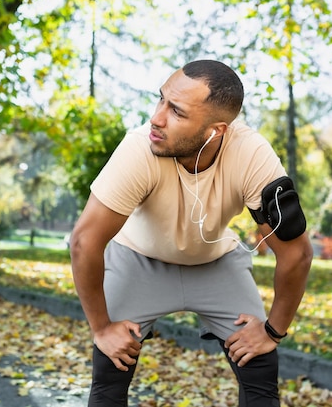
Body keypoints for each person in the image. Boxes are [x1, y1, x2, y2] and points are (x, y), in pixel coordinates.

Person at [69, 59, 313, 407]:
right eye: (161, 100)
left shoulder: (251, 153)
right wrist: (101, 328)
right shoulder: (140, 147)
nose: (157, 118)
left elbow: (296, 253)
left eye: (177, 112)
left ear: (216, 131)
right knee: (110, 369)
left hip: (215, 263)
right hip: (139, 260)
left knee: (259, 366)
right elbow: (84, 241)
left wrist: (273, 330)